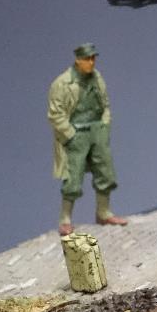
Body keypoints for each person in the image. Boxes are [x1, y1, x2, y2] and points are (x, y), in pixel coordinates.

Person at [47, 43, 127, 236]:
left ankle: (103, 212)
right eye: (87, 59)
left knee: (105, 171)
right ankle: (65, 219)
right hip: (77, 133)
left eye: (93, 58)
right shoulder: (62, 83)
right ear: (78, 60)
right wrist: (70, 134)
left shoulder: (97, 78)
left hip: (97, 130)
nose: (91, 62)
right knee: (73, 176)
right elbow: (55, 114)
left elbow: (105, 104)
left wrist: (105, 125)